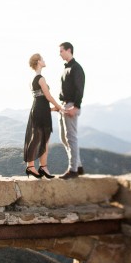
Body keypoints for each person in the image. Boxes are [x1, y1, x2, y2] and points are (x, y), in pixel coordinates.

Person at [23, 53, 62, 178]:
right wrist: (59, 107)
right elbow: (48, 96)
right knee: (37, 139)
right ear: (39, 61)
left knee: (43, 140)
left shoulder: (32, 79)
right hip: (40, 111)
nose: (44, 61)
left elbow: (39, 99)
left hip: (39, 110)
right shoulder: (40, 78)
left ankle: (43, 167)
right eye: (43, 59)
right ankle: (30, 166)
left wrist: (51, 109)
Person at [57, 41, 85, 179]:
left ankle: (73, 170)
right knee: (63, 138)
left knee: (71, 138)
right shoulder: (66, 68)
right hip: (64, 105)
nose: (59, 53)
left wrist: (76, 106)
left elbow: (80, 89)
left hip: (71, 105)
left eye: (61, 51)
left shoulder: (76, 68)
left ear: (69, 50)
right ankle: (78, 166)